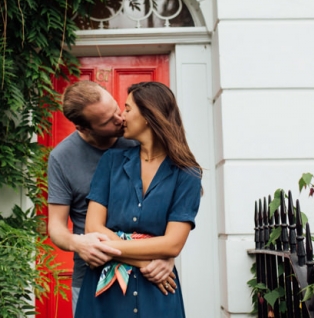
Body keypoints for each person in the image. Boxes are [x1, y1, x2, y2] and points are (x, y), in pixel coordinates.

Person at [46, 80, 177, 315]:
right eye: (107, 121)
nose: (120, 119)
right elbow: (55, 226)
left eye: (117, 109)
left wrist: (168, 253)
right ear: (83, 128)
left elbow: (172, 205)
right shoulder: (62, 158)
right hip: (93, 275)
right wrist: (78, 243)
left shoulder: (139, 136)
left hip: (150, 274)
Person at [75, 81, 203, 318]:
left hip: (157, 292)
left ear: (147, 115)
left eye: (127, 108)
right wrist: (145, 262)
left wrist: (106, 248)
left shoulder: (187, 174)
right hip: (108, 291)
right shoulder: (111, 162)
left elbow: (172, 244)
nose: (122, 117)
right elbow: (92, 227)